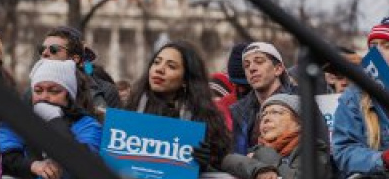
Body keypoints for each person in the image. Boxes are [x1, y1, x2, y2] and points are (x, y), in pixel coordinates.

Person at [125, 40, 231, 169]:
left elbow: (223, 165)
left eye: (171, 66)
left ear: (186, 80)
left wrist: (207, 163)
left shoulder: (205, 120)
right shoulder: (130, 110)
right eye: (156, 62)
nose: (159, 69)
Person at [0, 59, 102, 179]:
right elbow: (3, 158)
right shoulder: (16, 120)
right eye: (38, 91)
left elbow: (86, 163)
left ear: (69, 96)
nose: (44, 97)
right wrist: (33, 165)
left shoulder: (86, 124)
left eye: (54, 91)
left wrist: (54, 120)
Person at [229, 42, 329, 155]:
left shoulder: (303, 101)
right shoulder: (238, 110)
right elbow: (235, 156)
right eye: (246, 65)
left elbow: (321, 150)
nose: (252, 68)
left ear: (278, 69)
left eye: (259, 61)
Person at [332, 15, 389, 178]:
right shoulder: (355, 96)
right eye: (373, 46)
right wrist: (383, 159)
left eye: (387, 46)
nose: (378, 51)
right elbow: (344, 151)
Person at [220, 94, 331, 179]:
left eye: (276, 112)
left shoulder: (315, 149)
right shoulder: (256, 149)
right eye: (263, 115)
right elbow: (226, 161)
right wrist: (259, 168)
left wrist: (264, 153)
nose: (266, 118)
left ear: (299, 124)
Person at [38, 26, 120, 113]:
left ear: (75, 59)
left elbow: (114, 125)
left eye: (53, 49)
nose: (44, 53)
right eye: (42, 49)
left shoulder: (106, 91)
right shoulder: (32, 92)